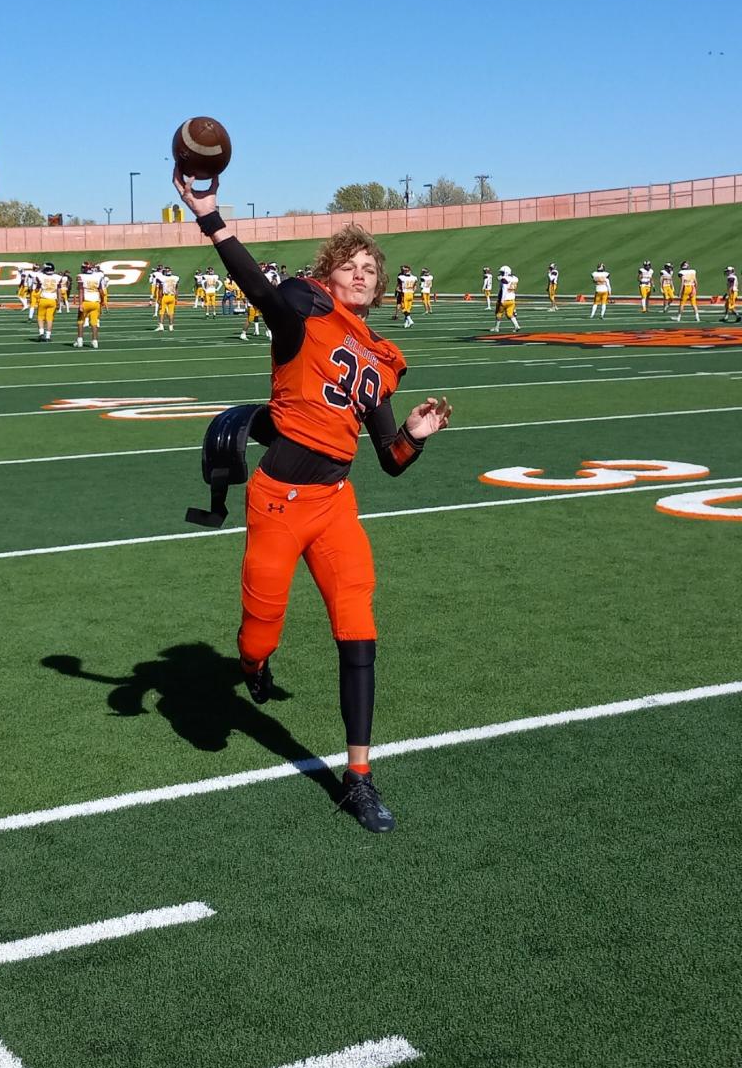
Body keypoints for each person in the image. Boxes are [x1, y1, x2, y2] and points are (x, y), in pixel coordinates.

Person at [175, 166, 452, 834]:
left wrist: (415, 435)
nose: (363, 275)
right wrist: (211, 216)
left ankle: (359, 776)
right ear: (329, 271)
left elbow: (388, 461)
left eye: (371, 270)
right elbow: (253, 283)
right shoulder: (300, 309)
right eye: (352, 265)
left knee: (358, 627)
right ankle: (253, 663)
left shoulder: (382, 355)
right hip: (277, 500)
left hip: (335, 504)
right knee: (257, 631)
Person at [74, 260, 102, 348]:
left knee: (80, 321)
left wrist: (80, 304)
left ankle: (80, 340)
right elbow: (101, 290)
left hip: (86, 301)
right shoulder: (98, 276)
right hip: (96, 302)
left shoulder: (81, 276)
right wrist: (103, 301)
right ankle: (95, 341)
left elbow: (81, 290)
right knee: (94, 323)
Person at [36, 262, 63, 340]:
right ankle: (48, 336)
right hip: (53, 300)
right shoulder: (58, 277)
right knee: (49, 318)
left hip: (43, 299)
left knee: (40, 317)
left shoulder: (40, 276)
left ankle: (41, 333)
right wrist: (59, 301)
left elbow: (38, 287)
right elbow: (59, 290)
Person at [491, 266, 520, 332]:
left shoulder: (505, 279)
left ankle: (496, 328)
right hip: (512, 299)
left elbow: (504, 289)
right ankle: (516, 326)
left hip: (505, 299)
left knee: (499, 314)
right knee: (510, 314)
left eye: (502, 272)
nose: (501, 274)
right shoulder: (515, 278)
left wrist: (502, 300)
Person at [155, 265, 179, 331]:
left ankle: (161, 326)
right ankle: (171, 327)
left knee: (161, 311)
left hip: (165, 297)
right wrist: (176, 298)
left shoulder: (162, 278)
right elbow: (176, 289)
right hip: (172, 297)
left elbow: (160, 289)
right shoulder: (175, 278)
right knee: (171, 312)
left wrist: (159, 299)